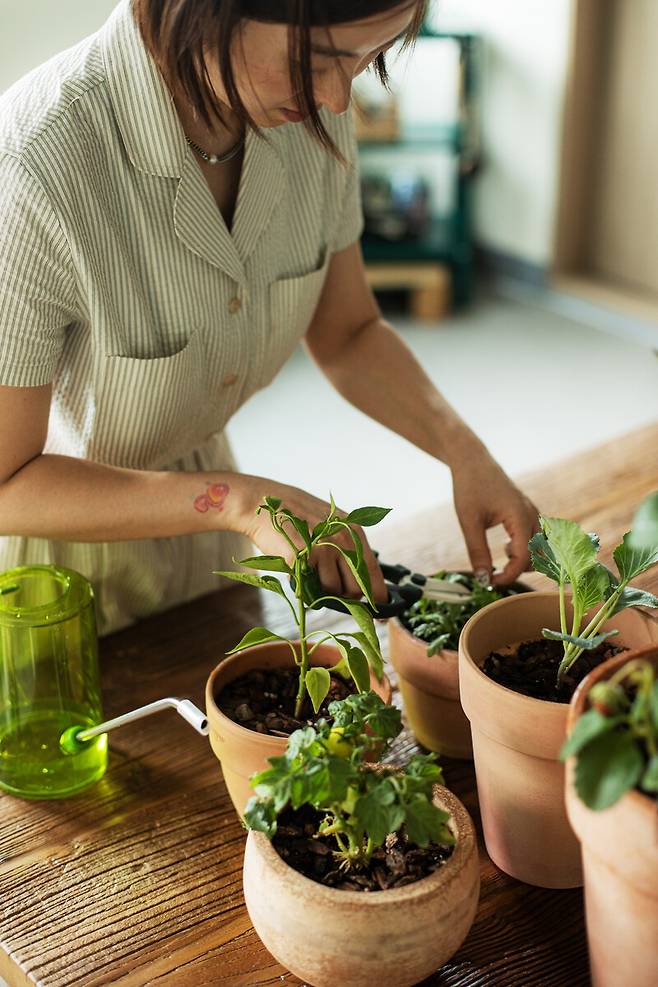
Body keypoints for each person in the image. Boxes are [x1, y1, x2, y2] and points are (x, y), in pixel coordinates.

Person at [0, 0, 538, 635]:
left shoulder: (307, 117)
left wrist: (464, 454)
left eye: (370, 60)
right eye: (316, 60)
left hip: (205, 542)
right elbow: (8, 482)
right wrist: (245, 501)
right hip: (48, 580)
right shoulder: (34, 167)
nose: (338, 100)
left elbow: (349, 333)